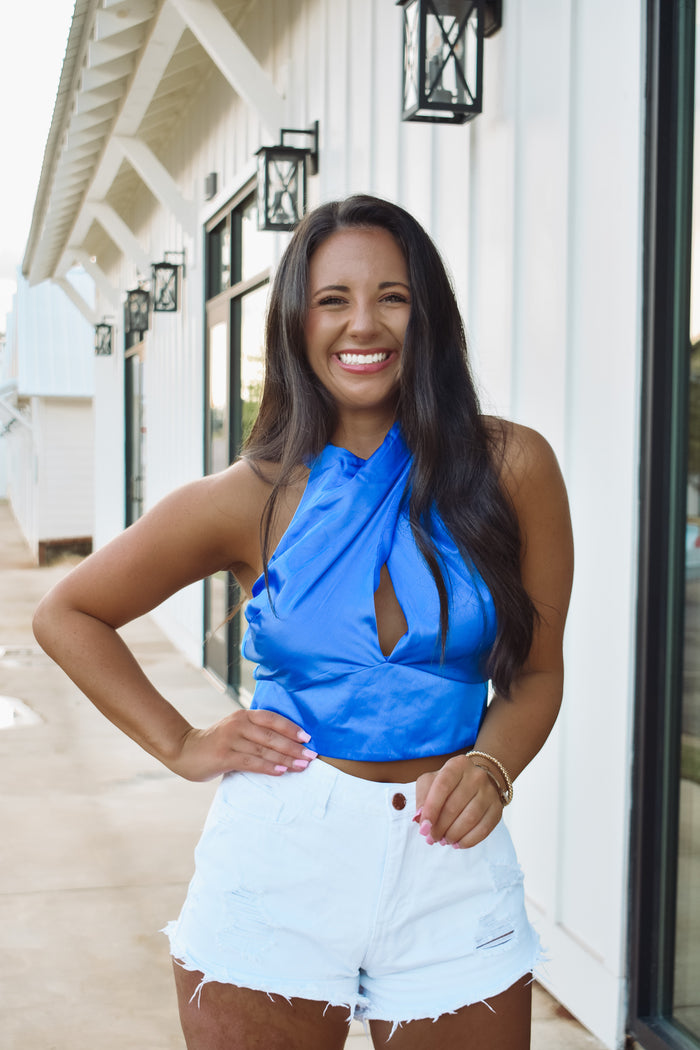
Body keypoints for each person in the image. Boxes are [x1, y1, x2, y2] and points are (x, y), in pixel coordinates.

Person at [33, 194, 573, 1050]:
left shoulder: (513, 467)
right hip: (281, 858)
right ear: (295, 320)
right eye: (333, 299)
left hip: (451, 859)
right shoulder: (246, 495)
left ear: (426, 312)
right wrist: (179, 744)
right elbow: (70, 611)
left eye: (393, 296)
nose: (365, 323)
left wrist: (493, 766)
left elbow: (539, 673)